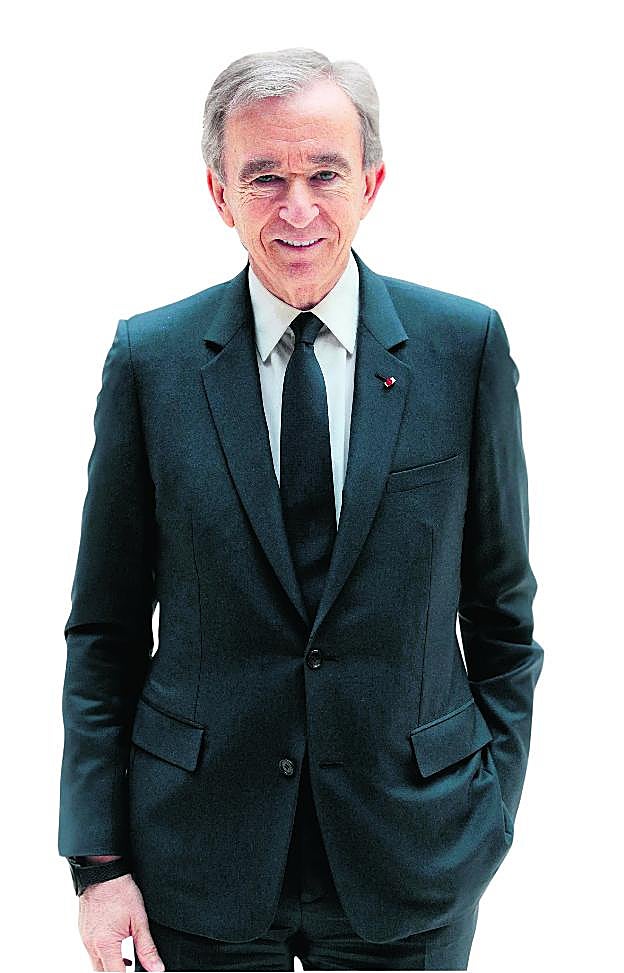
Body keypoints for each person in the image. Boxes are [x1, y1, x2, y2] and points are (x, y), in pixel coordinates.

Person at [58, 47, 544, 972]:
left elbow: (503, 614)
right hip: (196, 858)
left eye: (325, 173)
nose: (297, 207)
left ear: (371, 183)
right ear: (219, 192)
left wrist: (488, 811)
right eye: (265, 178)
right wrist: (98, 863)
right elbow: (104, 629)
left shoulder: (464, 348)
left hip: (413, 856)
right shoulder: (151, 363)